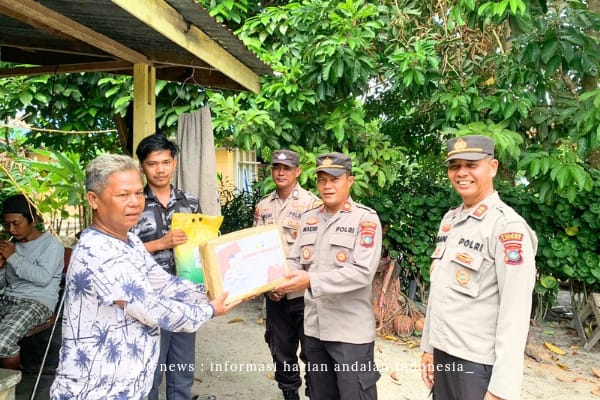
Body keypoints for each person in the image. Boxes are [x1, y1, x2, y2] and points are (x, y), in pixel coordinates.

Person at [50, 154, 237, 399]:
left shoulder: (130, 241)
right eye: (122, 195)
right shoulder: (97, 251)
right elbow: (151, 308)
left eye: (138, 193)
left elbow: (164, 284)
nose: (135, 203)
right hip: (96, 389)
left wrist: (219, 289)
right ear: (93, 199)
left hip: (128, 386)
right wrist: (210, 309)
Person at [419, 135, 537, 400]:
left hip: (477, 365)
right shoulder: (450, 220)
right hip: (444, 354)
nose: (462, 173)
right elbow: (439, 293)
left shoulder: (507, 228)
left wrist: (501, 388)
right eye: (455, 166)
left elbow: (515, 313)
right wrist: (429, 347)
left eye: (472, 165)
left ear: (492, 167)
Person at [275, 152, 382, 400]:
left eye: (334, 179)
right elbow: (293, 259)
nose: (327, 186)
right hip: (314, 329)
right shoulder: (309, 218)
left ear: (350, 181)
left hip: (349, 334)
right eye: (322, 180)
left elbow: (362, 272)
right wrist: (277, 281)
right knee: (321, 394)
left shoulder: (365, 219)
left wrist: (311, 280)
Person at [131, 133, 205, 400]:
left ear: (174, 163)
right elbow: (120, 252)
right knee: (151, 368)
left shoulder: (191, 202)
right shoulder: (132, 203)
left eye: (165, 162)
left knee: (182, 368)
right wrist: (159, 243)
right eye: (152, 163)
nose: (159, 169)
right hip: (148, 297)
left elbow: (202, 247)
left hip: (187, 295)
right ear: (142, 166)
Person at [254, 149, 320, 400]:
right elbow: (255, 248)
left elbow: (315, 251)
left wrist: (288, 282)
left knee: (313, 352)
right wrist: (269, 286)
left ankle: (315, 394)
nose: (281, 173)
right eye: (276, 168)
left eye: (287, 169)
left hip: (304, 294)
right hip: (274, 294)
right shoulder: (263, 206)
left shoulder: (312, 205)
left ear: (297, 172)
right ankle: (289, 394)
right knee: (280, 350)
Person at [0, 194, 64, 370]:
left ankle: (9, 392)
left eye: (16, 223)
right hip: (7, 299)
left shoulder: (51, 244)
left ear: (33, 220)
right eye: (6, 224)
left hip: (36, 302)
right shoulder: (11, 246)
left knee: (2, 343)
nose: (11, 230)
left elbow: (42, 278)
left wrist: (13, 257)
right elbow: (3, 285)